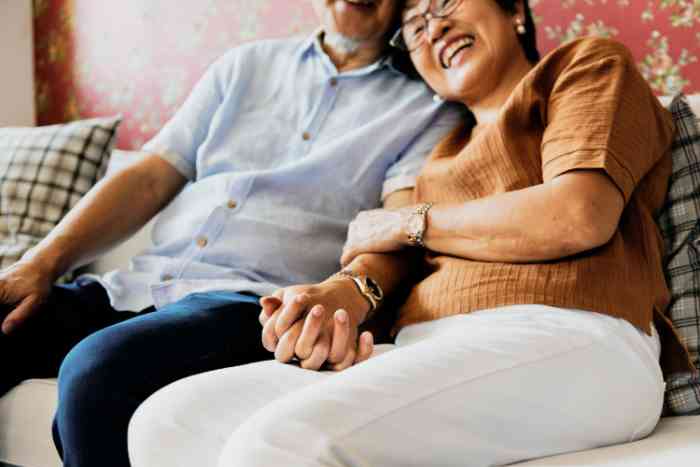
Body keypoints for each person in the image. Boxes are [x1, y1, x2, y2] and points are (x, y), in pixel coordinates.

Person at [127, 0, 697, 466]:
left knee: (279, 444)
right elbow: (380, 266)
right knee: (168, 422)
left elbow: (577, 215)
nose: (435, 27)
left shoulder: (581, 67)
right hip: (426, 346)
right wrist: (329, 300)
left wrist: (410, 223)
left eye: (447, 2)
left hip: (579, 336)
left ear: (515, 12)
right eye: (415, 26)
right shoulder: (436, 157)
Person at [0, 1, 460, 466]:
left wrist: (348, 290)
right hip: (137, 286)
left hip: (249, 305)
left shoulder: (429, 105)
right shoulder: (245, 64)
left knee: (95, 373)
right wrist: (38, 265)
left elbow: (399, 230)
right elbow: (151, 175)